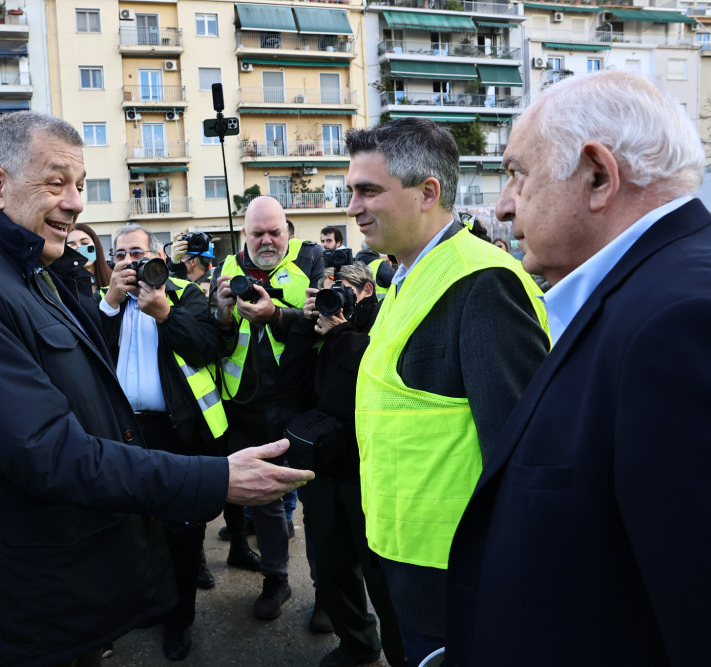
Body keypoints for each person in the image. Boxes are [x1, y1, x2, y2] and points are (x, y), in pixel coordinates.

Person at [0, 111, 313, 666]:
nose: (75, 203)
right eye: (56, 182)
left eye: (80, 185)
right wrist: (217, 478)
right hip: (18, 592)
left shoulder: (19, 267)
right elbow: (47, 452)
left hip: (57, 566)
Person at [445, 72, 711, 667]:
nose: (503, 204)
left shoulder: (680, 321)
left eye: (517, 173)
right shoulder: (645, 295)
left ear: (597, 177)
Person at [345, 118, 550, 666]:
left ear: (428, 192)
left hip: (455, 578)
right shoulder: (407, 275)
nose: (353, 207)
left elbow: (519, 455)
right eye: (351, 191)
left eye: (368, 190)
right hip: (400, 554)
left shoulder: (482, 282)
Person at [100, 223, 226, 661]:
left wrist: (164, 313)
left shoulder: (185, 293)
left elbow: (206, 347)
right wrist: (109, 305)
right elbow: (85, 354)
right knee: (133, 529)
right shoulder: (106, 301)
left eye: (137, 253)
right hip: (122, 433)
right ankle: (149, 605)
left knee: (180, 534)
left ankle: (179, 620)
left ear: (159, 257)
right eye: (120, 254)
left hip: (175, 431)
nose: (128, 262)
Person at [284, 262, 407, 667]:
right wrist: (304, 328)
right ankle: (358, 644)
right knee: (332, 567)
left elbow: (379, 376)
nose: (331, 298)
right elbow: (292, 387)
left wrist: (340, 334)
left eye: (340, 289)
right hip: (324, 466)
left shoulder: (382, 318)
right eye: (324, 291)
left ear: (367, 290)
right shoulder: (319, 325)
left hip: (370, 470)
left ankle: (403, 655)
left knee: (381, 575)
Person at [211, 195, 325, 621]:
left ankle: (327, 591)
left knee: (319, 505)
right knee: (265, 502)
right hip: (247, 406)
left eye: (275, 232)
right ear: (244, 234)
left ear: (287, 231)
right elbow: (216, 340)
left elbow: (323, 323)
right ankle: (275, 579)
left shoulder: (311, 261)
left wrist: (275, 314)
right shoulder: (227, 269)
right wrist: (223, 315)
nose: (266, 241)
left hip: (303, 404)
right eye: (257, 233)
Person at [66, 222, 112, 291]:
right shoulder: (62, 284)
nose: (78, 248)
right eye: (71, 246)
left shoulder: (114, 278)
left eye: (85, 243)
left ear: (96, 245)